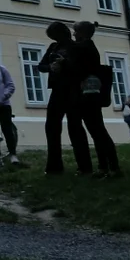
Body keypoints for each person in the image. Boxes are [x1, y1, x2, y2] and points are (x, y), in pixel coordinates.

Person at [69, 21, 119, 176]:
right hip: (91, 94)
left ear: (83, 33)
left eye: (76, 32)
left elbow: (79, 68)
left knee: (98, 131)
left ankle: (112, 167)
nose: (74, 35)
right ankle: (104, 166)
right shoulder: (88, 47)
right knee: (97, 131)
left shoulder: (84, 48)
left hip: (89, 95)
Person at [38, 21, 85, 175]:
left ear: (63, 33)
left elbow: (80, 69)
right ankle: (54, 166)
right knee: (51, 127)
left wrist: (65, 64)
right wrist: (50, 67)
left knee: (75, 127)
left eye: (56, 36)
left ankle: (84, 166)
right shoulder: (53, 47)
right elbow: (41, 66)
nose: (55, 39)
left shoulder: (76, 47)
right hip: (57, 90)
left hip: (72, 90)